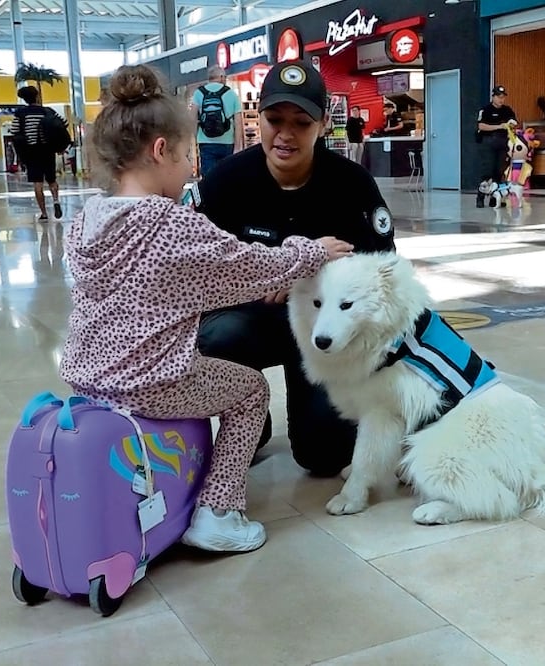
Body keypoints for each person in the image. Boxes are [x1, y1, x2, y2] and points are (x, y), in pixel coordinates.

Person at [58, 64, 354, 552]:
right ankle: (218, 511)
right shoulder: (169, 225)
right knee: (249, 392)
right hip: (150, 380)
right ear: (160, 151)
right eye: (185, 155)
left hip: (88, 376)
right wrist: (314, 252)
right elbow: (252, 268)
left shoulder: (87, 218)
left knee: (210, 363)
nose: (191, 167)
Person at [195, 61, 396, 478]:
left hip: (326, 333)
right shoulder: (226, 182)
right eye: (274, 120)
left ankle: (317, 412)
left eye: (301, 123)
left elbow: (379, 270)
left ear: (322, 124)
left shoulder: (351, 184)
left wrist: (304, 280)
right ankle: (247, 418)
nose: (285, 134)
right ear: (259, 119)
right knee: (218, 333)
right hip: (251, 321)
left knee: (325, 456)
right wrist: (269, 274)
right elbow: (202, 271)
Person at [10, 85, 65, 221]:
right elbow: (63, 123)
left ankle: (44, 213)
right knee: (52, 180)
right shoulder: (47, 111)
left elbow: (14, 131)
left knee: (38, 183)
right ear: (37, 96)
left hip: (32, 152)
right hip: (48, 150)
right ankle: (56, 200)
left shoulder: (20, 113)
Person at [191, 66, 242, 177]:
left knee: (209, 178)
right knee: (227, 177)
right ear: (221, 77)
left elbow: (192, 119)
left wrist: (195, 138)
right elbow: (238, 123)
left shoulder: (198, 93)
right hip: (227, 143)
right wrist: (238, 147)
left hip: (205, 142)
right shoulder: (232, 94)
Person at [475, 85, 517, 208]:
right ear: (493, 97)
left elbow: (514, 122)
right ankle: (481, 197)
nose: (501, 100)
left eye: (503, 97)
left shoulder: (507, 110)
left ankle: (495, 198)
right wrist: (499, 126)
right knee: (487, 172)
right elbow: (481, 126)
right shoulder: (486, 110)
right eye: (499, 97)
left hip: (503, 143)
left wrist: (511, 124)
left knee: (499, 172)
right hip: (488, 143)